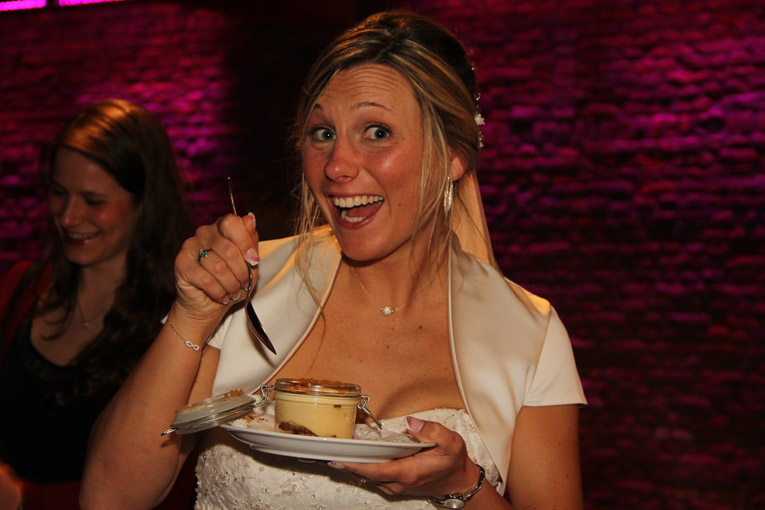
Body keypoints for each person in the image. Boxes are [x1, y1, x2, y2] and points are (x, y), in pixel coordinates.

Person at [81, 11, 586, 510]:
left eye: (377, 132)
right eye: (323, 133)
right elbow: (108, 497)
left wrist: (462, 485)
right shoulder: (246, 286)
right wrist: (193, 314)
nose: (337, 166)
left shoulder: (529, 335)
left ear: (453, 153)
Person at [0, 99, 197, 510]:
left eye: (93, 200)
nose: (68, 217)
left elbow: (175, 491)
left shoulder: (180, 323)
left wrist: (28, 499)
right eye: (59, 193)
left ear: (144, 203)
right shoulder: (21, 286)